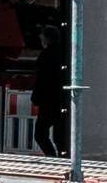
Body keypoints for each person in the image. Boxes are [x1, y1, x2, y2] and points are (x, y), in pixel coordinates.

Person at [30, 26, 70, 155]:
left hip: (48, 101)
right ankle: (62, 157)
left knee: (40, 133)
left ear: (46, 38)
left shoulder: (45, 56)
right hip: (62, 100)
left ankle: (52, 157)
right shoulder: (64, 53)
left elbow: (41, 79)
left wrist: (36, 97)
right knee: (60, 135)